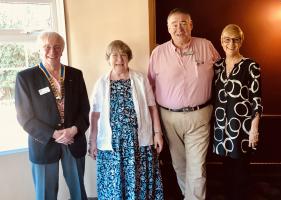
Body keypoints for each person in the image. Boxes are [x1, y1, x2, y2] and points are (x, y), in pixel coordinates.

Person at [148, 8, 220, 200]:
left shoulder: (206, 46)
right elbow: (149, 89)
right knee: (179, 165)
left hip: (200, 116)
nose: (179, 28)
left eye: (183, 23)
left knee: (196, 167)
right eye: (174, 24)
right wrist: (155, 128)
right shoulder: (158, 53)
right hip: (169, 118)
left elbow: (223, 75)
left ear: (191, 25)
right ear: (168, 28)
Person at [15, 31, 90, 200]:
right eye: (47, 47)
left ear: (62, 50)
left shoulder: (75, 75)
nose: (52, 51)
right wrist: (54, 134)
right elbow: (25, 117)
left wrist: (73, 130)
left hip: (73, 139)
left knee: (79, 192)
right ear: (39, 50)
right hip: (44, 143)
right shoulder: (25, 78)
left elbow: (84, 109)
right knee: (45, 194)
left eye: (57, 47)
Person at [88, 40, 164, 200]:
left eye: (123, 55)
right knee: (113, 184)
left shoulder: (140, 79)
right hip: (111, 144)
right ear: (108, 58)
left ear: (129, 57)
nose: (119, 59)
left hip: (137, 142)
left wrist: (157, 133)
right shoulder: (101, 82)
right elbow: (94, 114)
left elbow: (152, 107)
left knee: (138, 182)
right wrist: (92, 141)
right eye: (115, 55)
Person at [212, 24, 263, 200]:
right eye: (227, 39)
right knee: (226, 173)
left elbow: (257, 100)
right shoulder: (217, 66)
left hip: (242, 130)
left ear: (241, 41)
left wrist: (254, 130)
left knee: (241, 174)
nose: (231, 43)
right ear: (221, 41)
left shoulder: (251, 66)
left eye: (236, 39)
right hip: (221, 129)